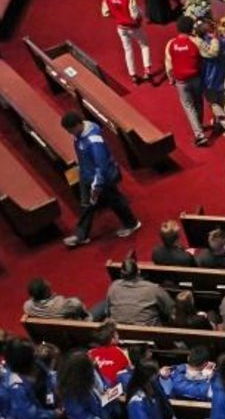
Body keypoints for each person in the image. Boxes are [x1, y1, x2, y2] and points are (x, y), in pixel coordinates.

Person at [61, 112, 141, 248]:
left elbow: (101, 164)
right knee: (87, 205)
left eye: (70, 130)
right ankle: (81, 235)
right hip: (86, 175)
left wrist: (97, 184)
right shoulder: (79, 136)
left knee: (115, 201)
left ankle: (132, 224)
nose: (70, 133)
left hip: (103, 178)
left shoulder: (93, 140)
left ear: (78, 125)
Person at [58, 349, 121, 419]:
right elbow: (82, 416)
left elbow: (103, 384)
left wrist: (112, 392)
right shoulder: (71, 392)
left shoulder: (93, 370)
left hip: (107, 414)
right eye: (89, 358)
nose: (94, 359)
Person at [5, 338, 61, 419]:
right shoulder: (17, 388)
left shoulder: (36, 362)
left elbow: (49, 375)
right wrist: (54, 414)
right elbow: (32, 414)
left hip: (51, 405)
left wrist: (53, 356)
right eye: (33, 350)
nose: (37, 350)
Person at [165, 16, 208, 146]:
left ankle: (199, 134)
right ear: (191, 28)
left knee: (189, 107)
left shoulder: (171, 43)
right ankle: (199, 126)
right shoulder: (196, 41)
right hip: (196, 78)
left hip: (181, 82)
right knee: (198, 102)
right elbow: (206, 56)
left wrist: (171, 78)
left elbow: (169, 64)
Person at [101, 0, 152, 85]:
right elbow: (134, 14)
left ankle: (133, 75)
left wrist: (117, 16)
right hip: (133, 27)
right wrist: (140, 17)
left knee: (128, 50)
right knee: (144, 45)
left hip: (121, 28)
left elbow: (105, 13)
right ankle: (147, 70)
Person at [104, 258, 174, 326]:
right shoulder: (152, 288)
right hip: (149, 334)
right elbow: (170, 308)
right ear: (138, 272)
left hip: (119, 333)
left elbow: (108, 312)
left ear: (121, 274)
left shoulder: (113, 286)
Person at [86, 320, 130, 387]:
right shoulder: (119, 351)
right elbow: (129, 368)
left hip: (96, 387)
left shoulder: (90, 352)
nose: (118, 336)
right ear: (112, 339)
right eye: (116, 334)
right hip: (114, 387)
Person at [23, 277, 88, 320]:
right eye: (47, 286)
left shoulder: (27, 307)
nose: (50, 284)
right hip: (75, 334)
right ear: (45, 293)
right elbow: (78, 305)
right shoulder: (61, 305)